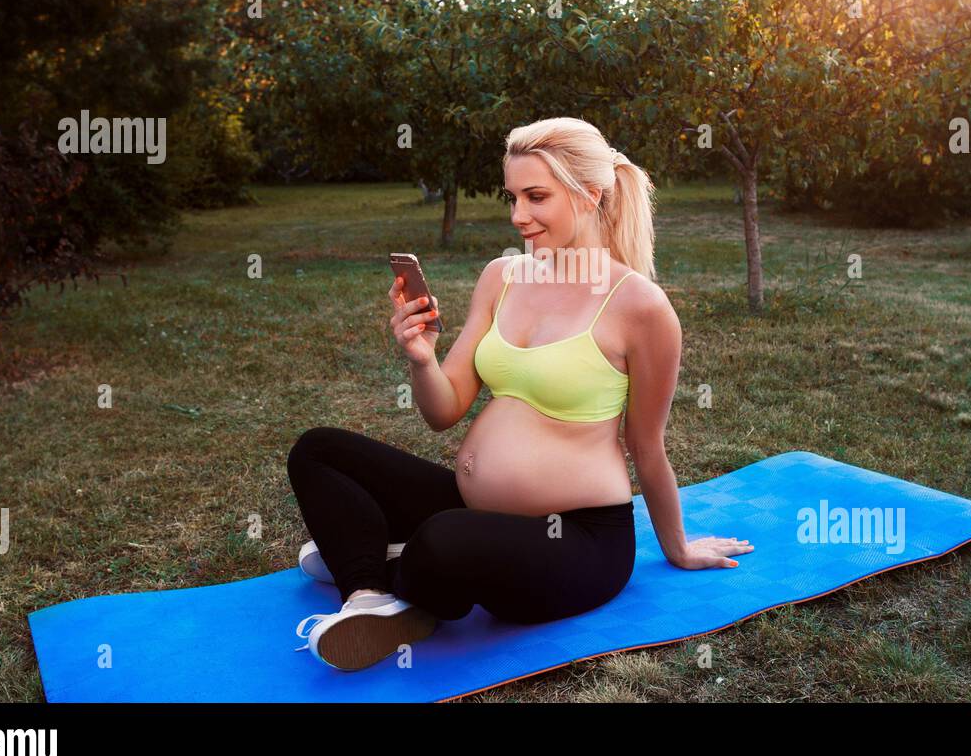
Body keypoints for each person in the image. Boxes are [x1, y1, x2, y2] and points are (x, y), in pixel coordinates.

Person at [289, 116, 754, 671]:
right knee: (318, 450)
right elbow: (444, 412)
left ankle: (376, 557)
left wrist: (677, 546)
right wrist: (421, 359)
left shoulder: (641, 308)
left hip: (578, 542)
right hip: (475, 512)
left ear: (590, 195)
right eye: (513, 197)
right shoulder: (501, 276)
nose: (517, 217)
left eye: (537, 197)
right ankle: (368, 593)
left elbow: (646, 445)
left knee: (443, 539)